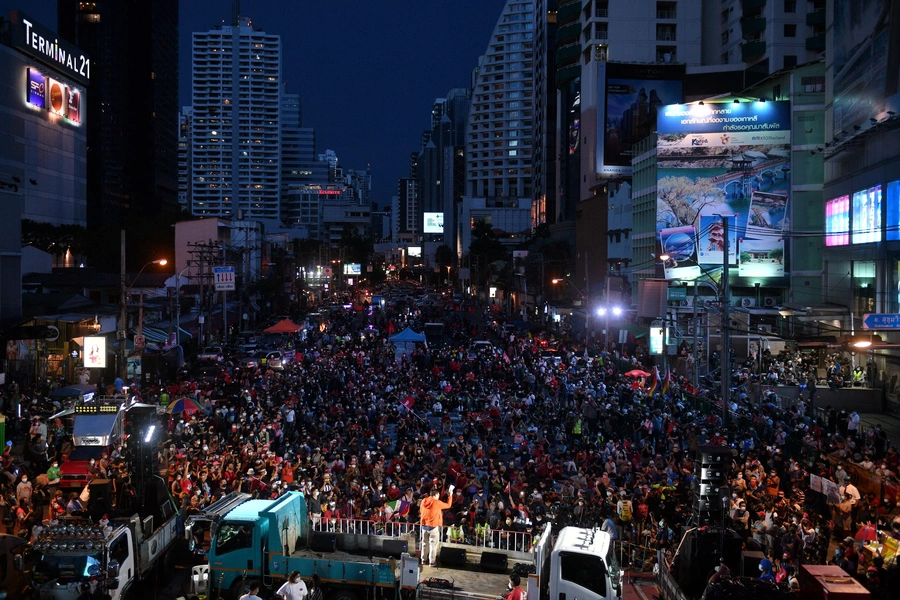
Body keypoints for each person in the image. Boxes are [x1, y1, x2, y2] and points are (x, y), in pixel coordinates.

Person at [420, 484, 454, 567]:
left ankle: (423, 560)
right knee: (433, 545)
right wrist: (450, 495)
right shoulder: (437, 502)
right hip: (433, 526)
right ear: (436, 495)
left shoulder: (423, 501)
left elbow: (421, 511)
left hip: (424, 525)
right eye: (438, 495)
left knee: (424, 543)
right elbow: (448, 505)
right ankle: (432, 562)